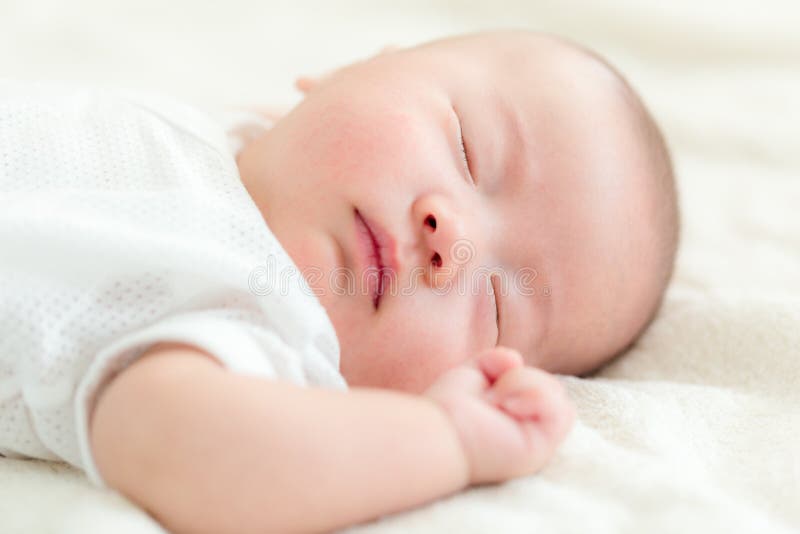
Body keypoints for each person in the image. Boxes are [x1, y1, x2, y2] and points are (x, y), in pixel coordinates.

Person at [0, 30, 679, 533]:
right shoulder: (211, 141)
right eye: (468, 151)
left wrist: (447, 440)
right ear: (352, 71)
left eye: (498, 305)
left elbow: (179, 453)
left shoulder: (254, 325)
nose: (455, 242)